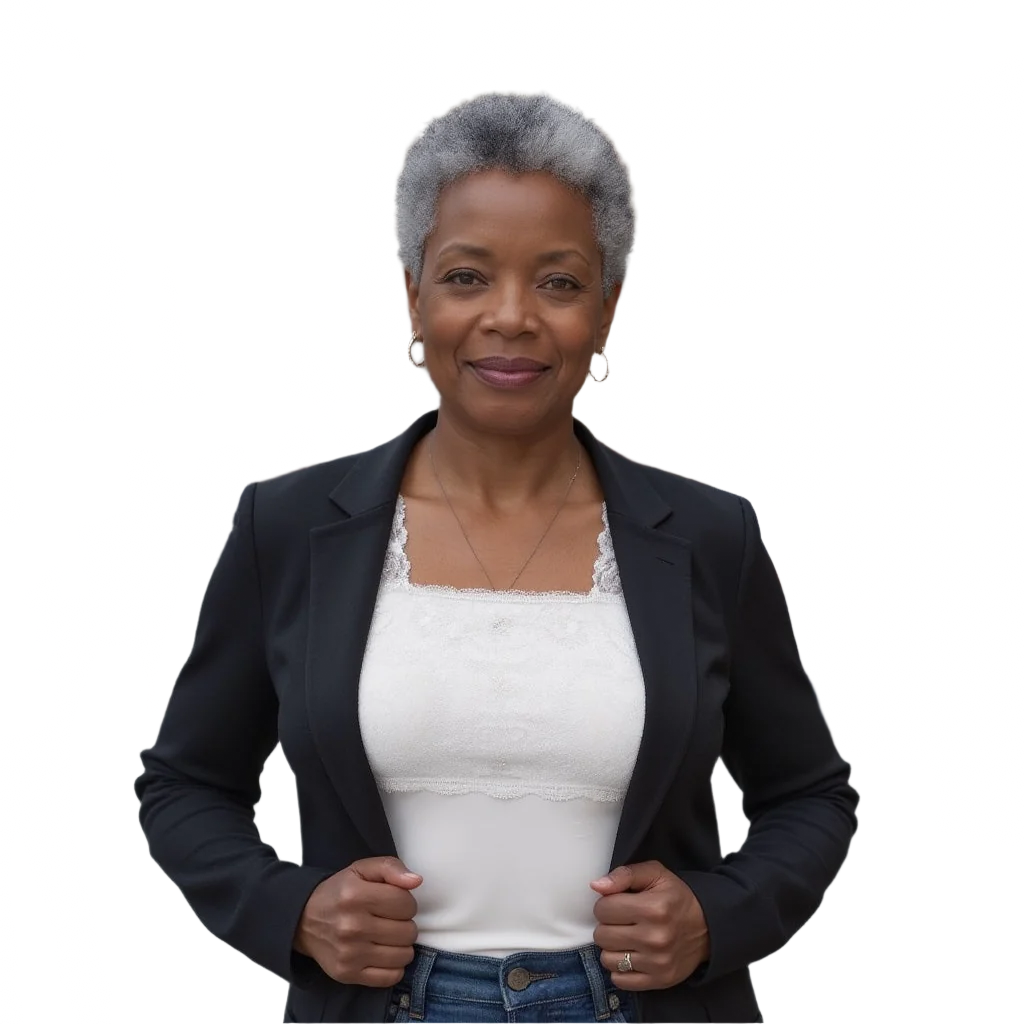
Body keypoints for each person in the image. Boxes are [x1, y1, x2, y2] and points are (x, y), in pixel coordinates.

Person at [135, 93, 859, 1024]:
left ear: (607, 308)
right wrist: (294, 911)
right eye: (467, 277)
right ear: (414, 295)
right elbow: (188, 784)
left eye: (558, 283)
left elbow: (808, 795)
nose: (510, 317)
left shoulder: (709, 538)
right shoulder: (288, 529)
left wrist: (717, 917)